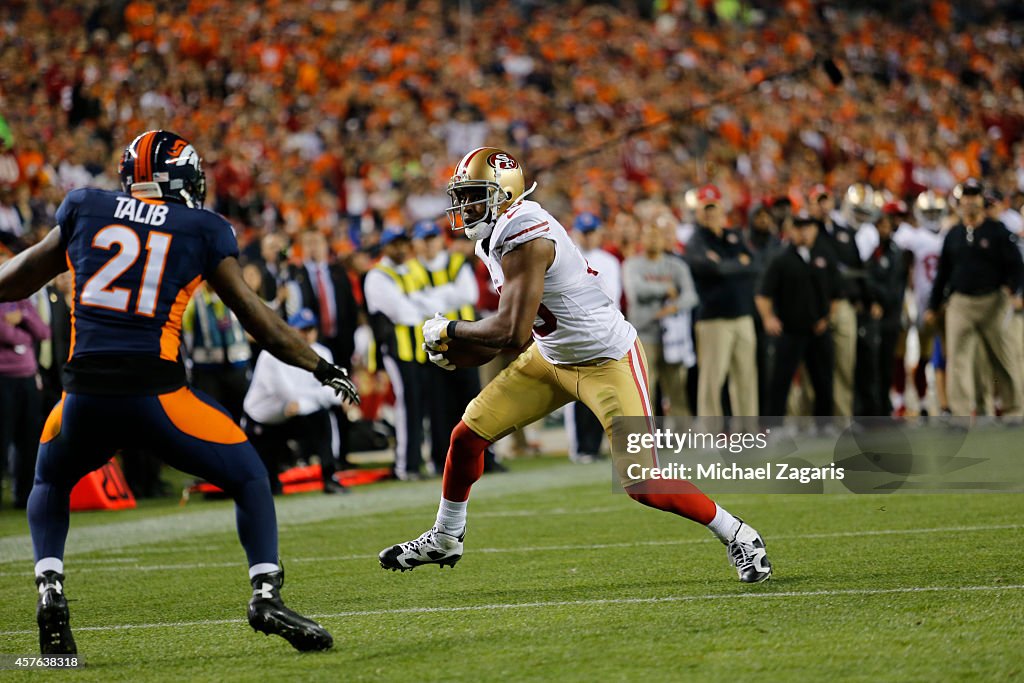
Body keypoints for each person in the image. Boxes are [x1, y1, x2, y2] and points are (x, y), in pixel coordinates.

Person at [0, 130, 359, 655]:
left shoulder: (83, 206)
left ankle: (50, 587)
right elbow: (256, 317)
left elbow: (16, 279)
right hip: (158, 396)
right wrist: (319, 366)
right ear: (182, 180)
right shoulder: (202, 228)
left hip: (83, 396)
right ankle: (265, 593)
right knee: (249, 474)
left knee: (50, 477)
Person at [378, 146, 771, 584]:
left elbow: (509, 331)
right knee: (466, 437)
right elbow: (509, 339)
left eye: (475, 195)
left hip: (607, 360)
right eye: (464, 196)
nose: (465, 207)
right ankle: (446, 535)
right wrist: (459, 350)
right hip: (550, 357)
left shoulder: (526, 233)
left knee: (644, 483)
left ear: (503, 195)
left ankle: (738, 533)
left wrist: (450, 331)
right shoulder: (497, 234)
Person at [925, 178, 1024, 417]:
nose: (969, 201)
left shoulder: (996, 230)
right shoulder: (953, 235)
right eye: (965, 196)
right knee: (957, 358)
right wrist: (933, 305)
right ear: (960, 202)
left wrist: (1017, 291)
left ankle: (1014, 410)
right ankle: (960, 414)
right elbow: (943, 274)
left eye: (974, 195)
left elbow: (1017, 266)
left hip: (993, 300)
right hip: (960, 302)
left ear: (981, 199)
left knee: (1003, 356)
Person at [243, 308, 346, 494]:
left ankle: (329, 476)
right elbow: (289, 394)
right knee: (266, 488)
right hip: (263, 423)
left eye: (310, 329)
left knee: (322, 418)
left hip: (292, 416)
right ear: (291, 331)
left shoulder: (323, 353)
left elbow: (333, 392)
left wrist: (303, 403)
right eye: (302, 330)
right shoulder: (272, 356)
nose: (307, 335)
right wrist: (309, 398)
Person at [684, 184, 759, 418]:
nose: (709, 213)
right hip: (713, 319)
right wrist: (739, 263)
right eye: (705, 208)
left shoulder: (734, 234)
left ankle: (747, 431)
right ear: (697, 211)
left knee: (746, 378)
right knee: (711, 380)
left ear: (721, 208)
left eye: (713, 207)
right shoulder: (696, 240)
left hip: (743, 315)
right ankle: (708, 432)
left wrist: (725, 266)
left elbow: (755, 265)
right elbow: (709, 269)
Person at [756, 213, 839, 417]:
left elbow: (836, 292)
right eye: (799, 227)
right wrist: (768, 318)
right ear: (791, 230)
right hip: (790, 330)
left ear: (815, 229)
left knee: (824, 381)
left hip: (818, 329)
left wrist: (827, 318)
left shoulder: (825, 255)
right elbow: (762, 294)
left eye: (808, 226)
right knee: (780, 381)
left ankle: (823, 426)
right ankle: (774, 427)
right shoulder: (781, 259)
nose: (804, 231)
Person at [623, 216, 698, 416]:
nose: (653, 240)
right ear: (641, 240)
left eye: (657, 236)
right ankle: (644, 438)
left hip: (672, 337)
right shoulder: (632, 264)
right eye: (648, 236)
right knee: (644, 390)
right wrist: (667, 289)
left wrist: (673, 308)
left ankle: (683, 436)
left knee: (676, 389)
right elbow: (635, 291)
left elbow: (691, 296)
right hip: (643, 335)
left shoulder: (676, 265)